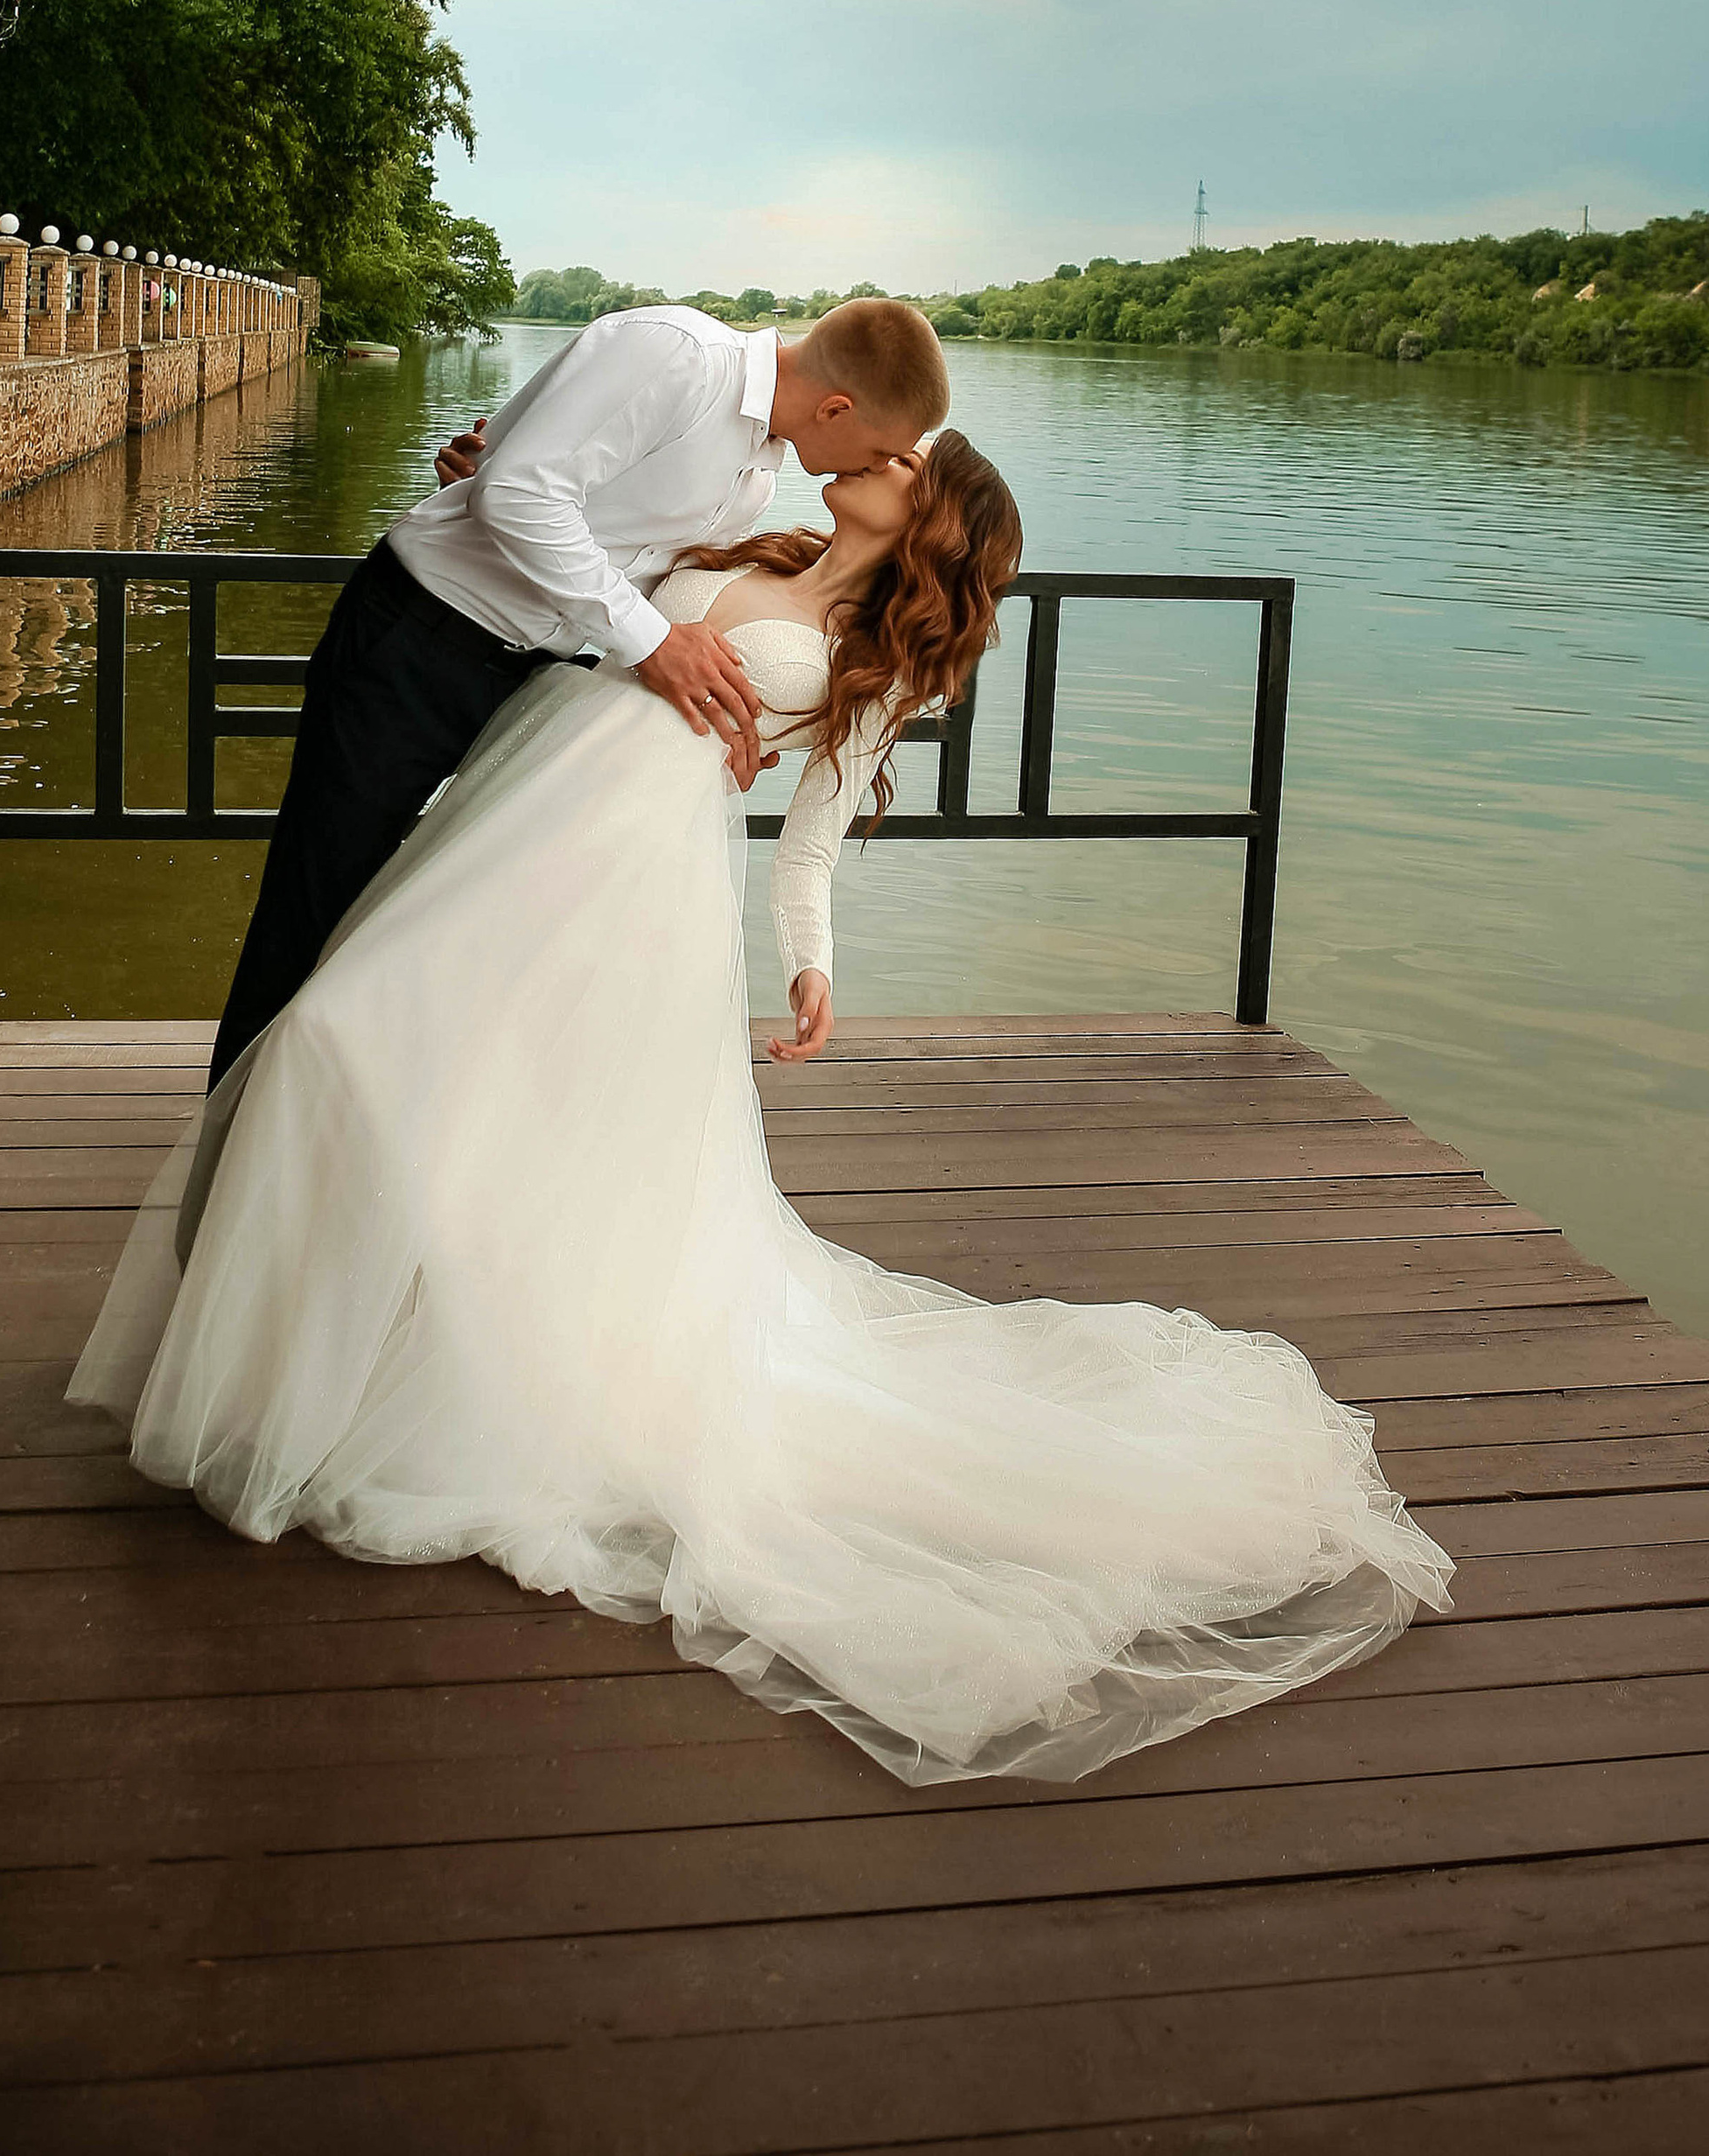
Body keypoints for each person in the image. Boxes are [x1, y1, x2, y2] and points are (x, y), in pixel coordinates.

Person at [74, 430, 1451, 1788]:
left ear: (936, 522)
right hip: (504, 822)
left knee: (482, 1111)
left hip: (627, 886)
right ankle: (335, 1342)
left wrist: (812, 965)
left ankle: (420, 1365)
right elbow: (582, 581)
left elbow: (814, 831)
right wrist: (495, 478)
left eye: (910, 460)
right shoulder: (730, 540)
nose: (876, 454)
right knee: (337, 1043)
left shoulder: (875, 655)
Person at [207, 296, 952, 1088]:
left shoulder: (758, 478)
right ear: (838, 406)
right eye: (877, 450)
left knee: (420, 938)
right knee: (316, 913)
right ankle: (232, 1179)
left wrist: (733, 719)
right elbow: (521, 495)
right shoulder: (675, 356)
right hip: (419, 644)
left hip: (535, 691)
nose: (861, 469)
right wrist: (653, 640)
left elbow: (595, 532)